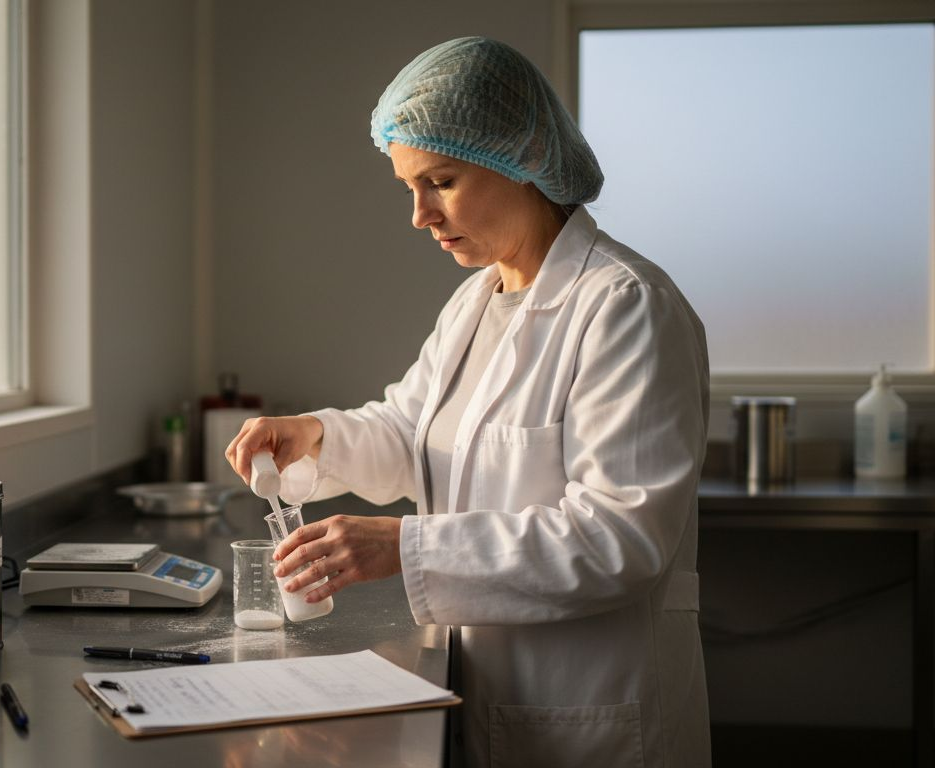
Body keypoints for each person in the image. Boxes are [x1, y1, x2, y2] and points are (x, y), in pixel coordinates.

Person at [226, 36, 710, 768]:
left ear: (519, 159)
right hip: (491, 686)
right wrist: (315, 435)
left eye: (440, 182)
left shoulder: (626, 306)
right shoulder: (477, 300)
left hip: (592, 708)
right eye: (409, 188)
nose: (420, 214)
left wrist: (405, 547)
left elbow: (621, 538)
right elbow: (412, 430)